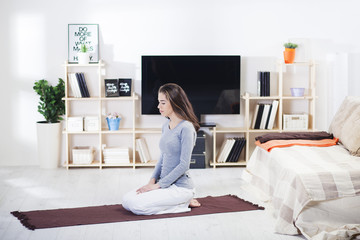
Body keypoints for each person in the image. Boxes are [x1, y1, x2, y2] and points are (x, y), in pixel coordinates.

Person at [122, 83, 201, 215]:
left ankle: (183, 203)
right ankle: (179, 201)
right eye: (159, 102)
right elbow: (162, 157)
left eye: (163, 103)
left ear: (175, 103)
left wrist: (157, 186)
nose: (158, 106)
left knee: (137, 207)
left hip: (180, 188)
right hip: (163, 184)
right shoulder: (166, 125)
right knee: (126, 201)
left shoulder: (186, 128)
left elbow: (184, 165)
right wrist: (152, 181)